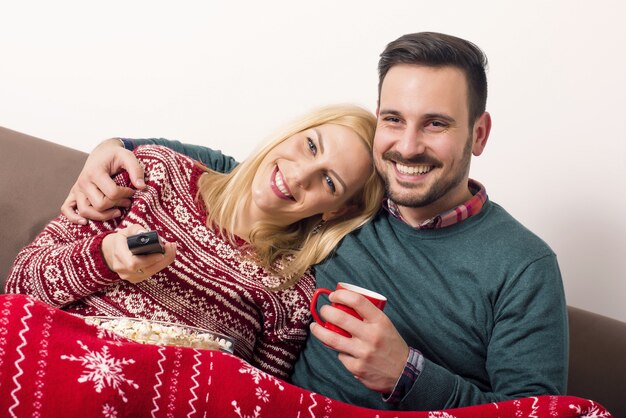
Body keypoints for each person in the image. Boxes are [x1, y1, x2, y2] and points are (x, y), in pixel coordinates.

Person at [55, 32, 568, 411]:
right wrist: (115, 146)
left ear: (478, 134)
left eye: (436, 124)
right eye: (393, 119)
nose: (408, 146)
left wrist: (406, 374)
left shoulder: (524, 267)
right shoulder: (343, 209)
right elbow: (253, 175)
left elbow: (534, 410)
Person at [5, 104, 384, 380]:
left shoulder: (292, 294)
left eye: (329, 181)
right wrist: (103, 258)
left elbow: (254, 398)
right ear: (291, 133)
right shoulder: (152, 173)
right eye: (311, 146)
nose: (301, 174)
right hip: (53, 366)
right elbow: (19, 284)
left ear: (335, 210)